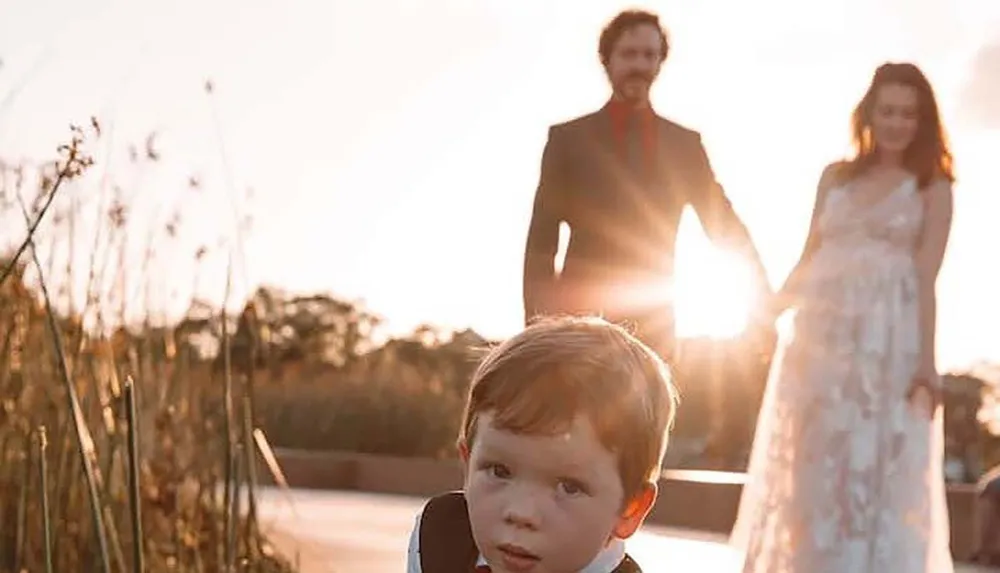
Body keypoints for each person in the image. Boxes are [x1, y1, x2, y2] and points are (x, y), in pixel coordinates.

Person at [729, 62, 956, 572]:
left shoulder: (932, 187)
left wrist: (927, 364)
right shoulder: (836, 176)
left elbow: (926, 279)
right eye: (888, 110)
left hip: (886, 345)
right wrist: (767, 313)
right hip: (818, 343)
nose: (897, 122)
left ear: (923, 121)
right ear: (869, 113)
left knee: (874, 467)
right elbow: (809, 256)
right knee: (811, 467)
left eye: (909, 114)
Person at [521, 9, 773, 364]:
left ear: (660, 63)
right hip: (576, 322)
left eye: (649, 55)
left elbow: (725, 228)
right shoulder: (568, 139)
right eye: (629, 54)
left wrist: (763, 308)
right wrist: (537, 329)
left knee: (646, 420)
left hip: (655, 321)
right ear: (606, 60)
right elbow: (541, 243)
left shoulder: (685, 144)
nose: (639, 65)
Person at [405, 316, 678, 573]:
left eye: (569, 487)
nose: (522, 513)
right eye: (499, 471)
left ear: (630, 508)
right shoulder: (441, 541)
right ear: (468, 463)